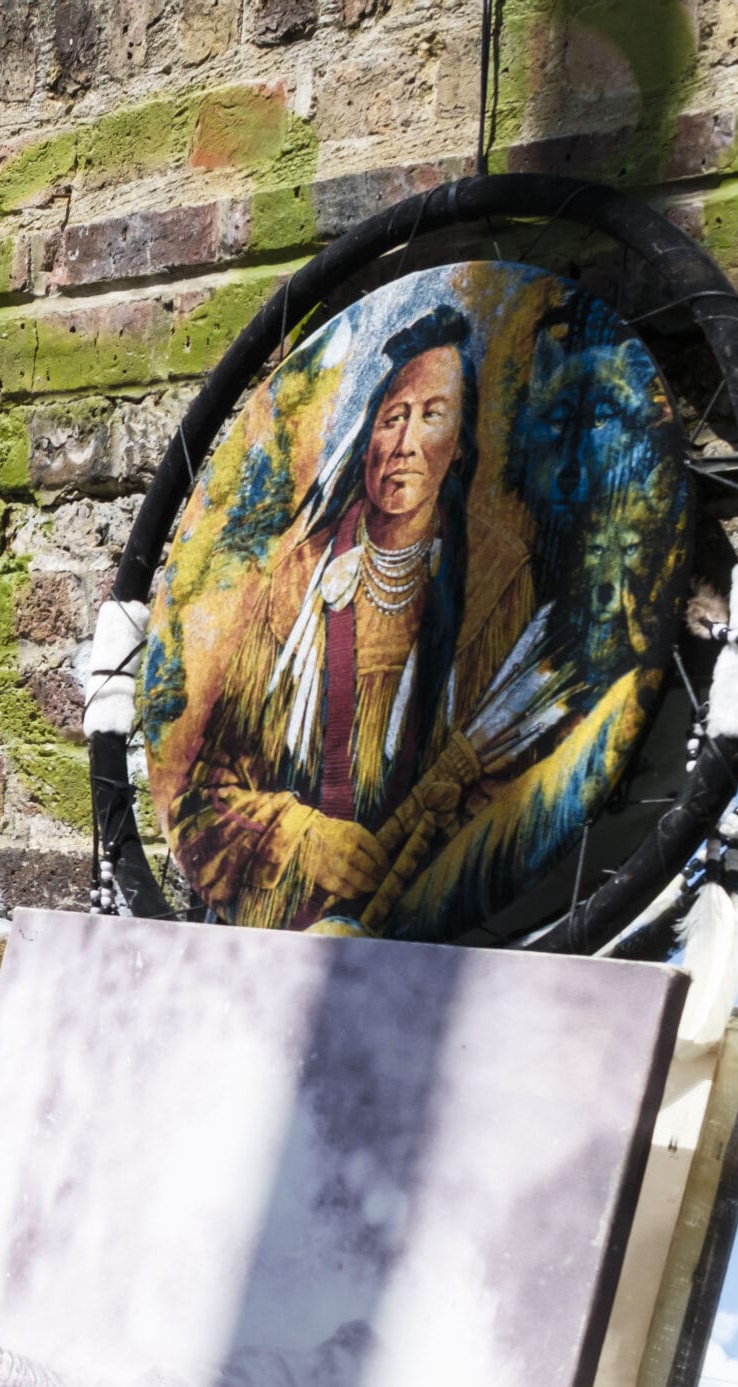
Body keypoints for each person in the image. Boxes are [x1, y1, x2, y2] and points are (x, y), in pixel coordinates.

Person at [158, 304, 536, 931]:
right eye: (393, 417)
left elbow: (517, 799)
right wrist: (301, 840)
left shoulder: (498, 576)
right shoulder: (300, 580)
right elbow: (202, 803)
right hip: (293, 939)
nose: (405, 443)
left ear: (461, 445)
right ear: (367, 441)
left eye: (433, 415)